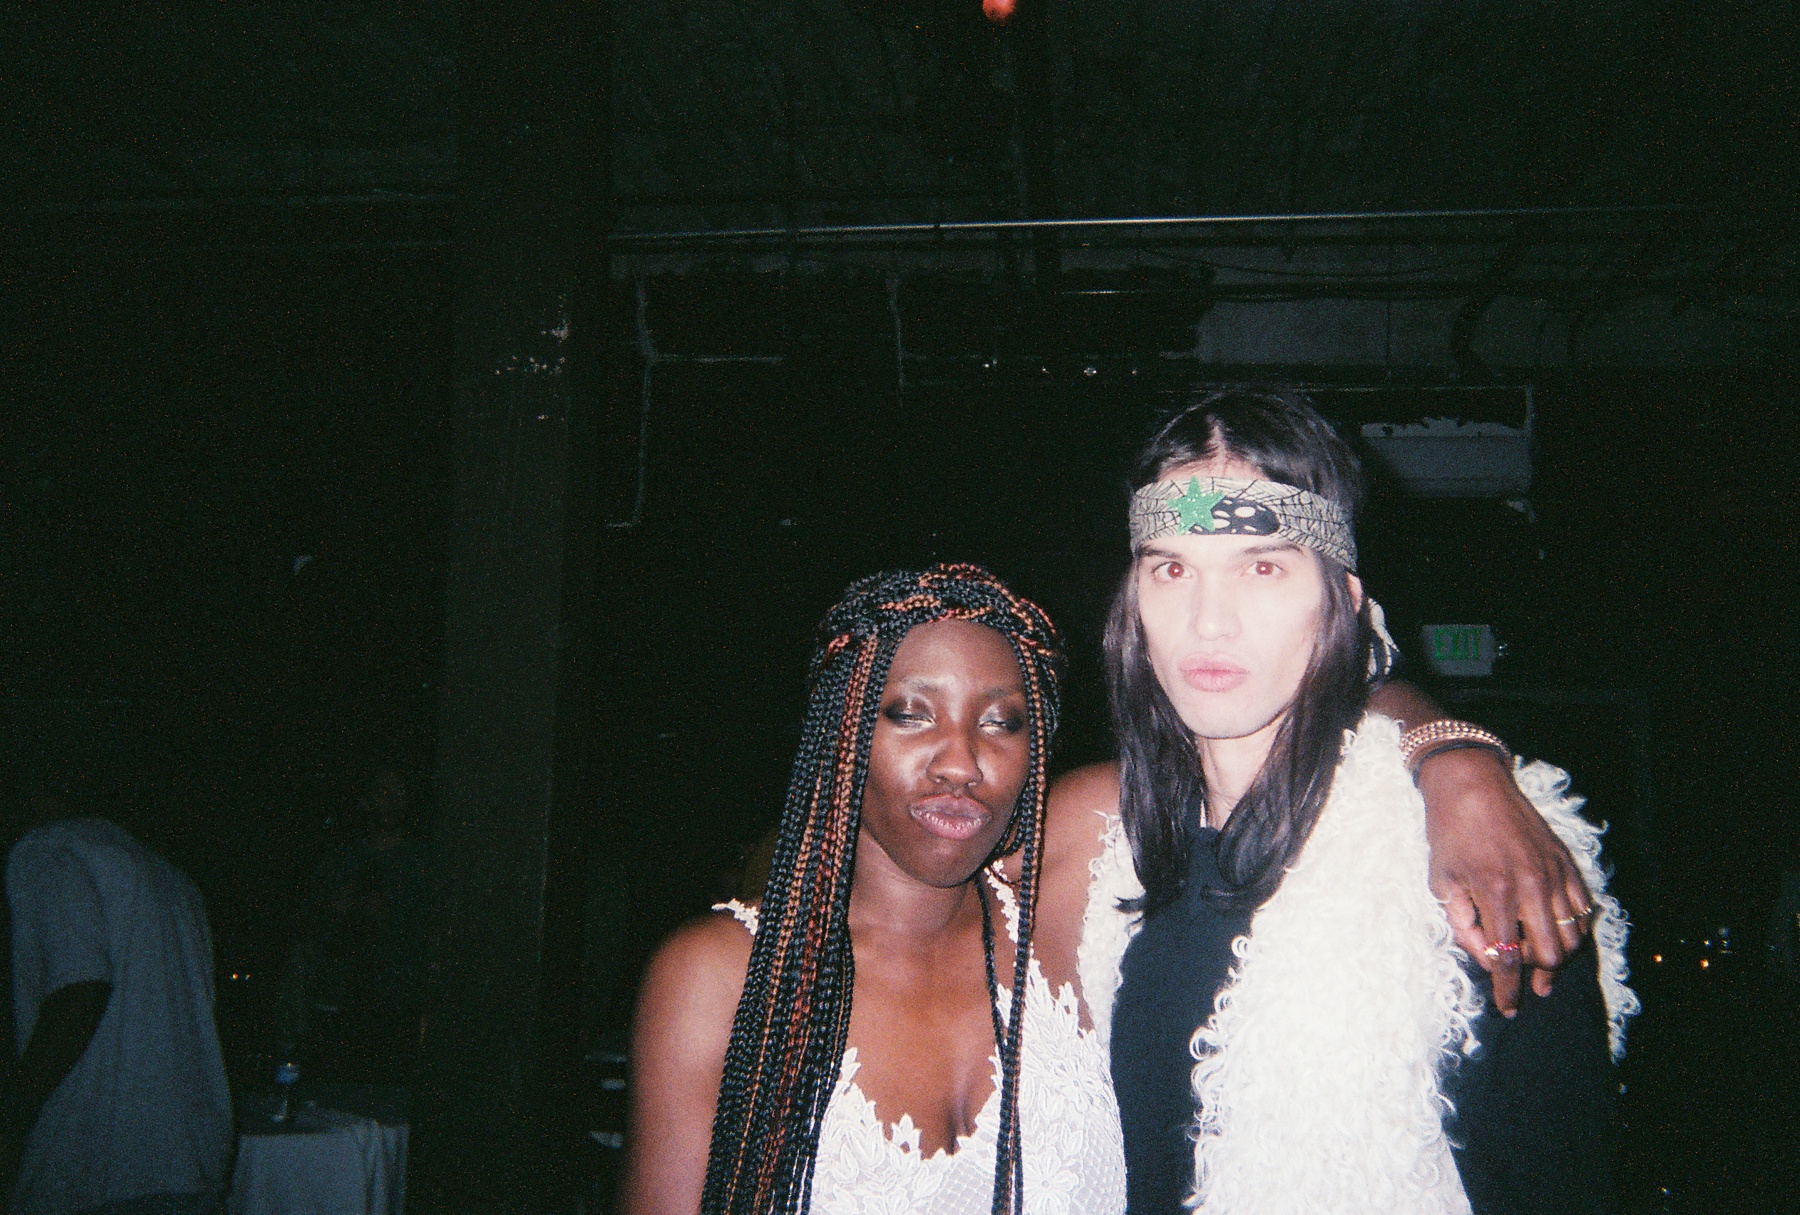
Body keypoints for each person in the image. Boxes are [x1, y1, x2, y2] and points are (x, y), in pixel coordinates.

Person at [622, 559, 1599, 1215]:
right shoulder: (722, 976)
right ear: (840, 733)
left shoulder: (1064, 876)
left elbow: (1291, 702)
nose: (960, 760)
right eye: (909, 714)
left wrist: (1457, 761)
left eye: (1002, 721)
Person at [1068, 388, 1638, 1214]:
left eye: (1263, 567)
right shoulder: (1103, 859)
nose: (1208, 621)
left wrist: (1456, 760)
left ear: (1345, 600)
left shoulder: (1469, 882)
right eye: (1172, 567)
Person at [3, 790, 233, 1215]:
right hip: (190, 1162)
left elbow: (80, 992)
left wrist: (15, 1111)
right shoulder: (172, 878)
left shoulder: (51, 853)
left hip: (89, 1167)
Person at [277, 765, 431, 1085]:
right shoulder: (339, 861)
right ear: (365, 800)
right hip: (335, 1009)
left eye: (400, 792)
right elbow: (304, 929)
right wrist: (335, 910)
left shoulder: (421, 864)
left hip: (396, 1010)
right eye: (383, 792)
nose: (393, 801)